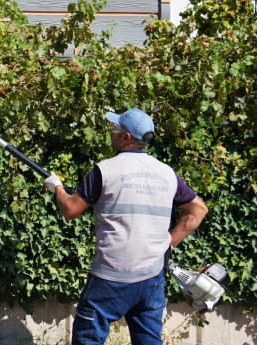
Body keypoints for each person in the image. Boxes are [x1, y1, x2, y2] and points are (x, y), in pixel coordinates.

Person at [44, 108, 208, 345]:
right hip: (152, 276)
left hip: (110, 276)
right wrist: (167, 244)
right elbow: (198, 209)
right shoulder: (167, 173)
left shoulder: (106, 170)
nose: (111, 132)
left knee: (87, 339)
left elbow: (71, 210)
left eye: (115, 129)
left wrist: (57, 187)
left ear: (126, 138)